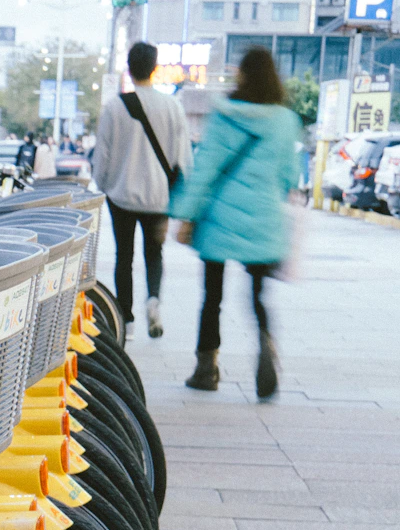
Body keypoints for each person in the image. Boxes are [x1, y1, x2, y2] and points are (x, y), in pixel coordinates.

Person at [170, 45, 301, 400]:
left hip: (218, 220)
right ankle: (265, 342)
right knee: (258, 295)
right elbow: (290, 176)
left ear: (242, 75)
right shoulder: (285, 120)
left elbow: (208, 169)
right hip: (264, 221)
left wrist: (187, 215)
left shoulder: (224, 116)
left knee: (212, 297)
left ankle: (206, 368)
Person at [92, 41, 191, 341]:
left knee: (124, 256)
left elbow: (103, 157)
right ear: (155, 69)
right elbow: (183, 157)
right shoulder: (172, 106)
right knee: (154, 253)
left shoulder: (114, 107)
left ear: (129, 69)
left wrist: (105, 184)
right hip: (159, 198)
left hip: (121, 196)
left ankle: (127, 319)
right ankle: (154, 301)